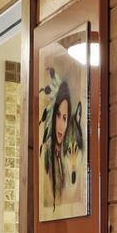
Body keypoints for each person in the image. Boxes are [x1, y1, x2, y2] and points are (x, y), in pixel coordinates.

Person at [40, 74, 86, 217]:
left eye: (65, 118)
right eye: (58, 116)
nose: (60, 125)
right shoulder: (48, 155)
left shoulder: (66, 154)